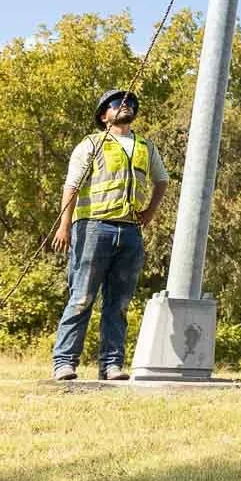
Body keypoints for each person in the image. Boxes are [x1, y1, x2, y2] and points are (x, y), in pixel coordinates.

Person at [49, 88, 168, 381]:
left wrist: (149, 213)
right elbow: (72, 186)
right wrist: (65, 226)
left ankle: (112, 365)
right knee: (82, 297)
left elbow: (161, 181)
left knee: (119, 303)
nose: (125, 105)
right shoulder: (92, 144)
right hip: (92, 227)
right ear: (104, 116)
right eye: (117, 103)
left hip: (129, 231)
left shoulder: (145, 146)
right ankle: (64, 362)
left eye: (129, 103)